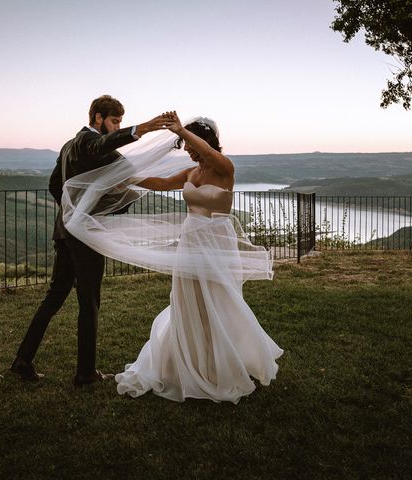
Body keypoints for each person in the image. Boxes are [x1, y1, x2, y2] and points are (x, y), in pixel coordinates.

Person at [113, 112, 284, 403]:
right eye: (184, 144)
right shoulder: (191, 174)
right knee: (188, 300)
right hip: (190, 243)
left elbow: (206, 151)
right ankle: (188, 362)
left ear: (204, 140)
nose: (187, 150)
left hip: (217, 243)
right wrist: (127, 177)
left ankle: (218, 364)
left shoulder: (224, 167)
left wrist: (182, 129)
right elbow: (160, 183)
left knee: (218, 300)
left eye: (188, 144)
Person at [8, 95, 173, 385]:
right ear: (98, 118)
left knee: (55, 296)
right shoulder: (87, 142)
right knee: (89, 301)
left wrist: (72, 212)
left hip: (65, 231)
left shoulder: (68, 145)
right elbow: (103, 149)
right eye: (114, 121)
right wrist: (143, 128)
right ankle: (85, 373)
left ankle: (23, 360)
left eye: (121, 122)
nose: (117, 126)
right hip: (84, 235)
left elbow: (54, 185)